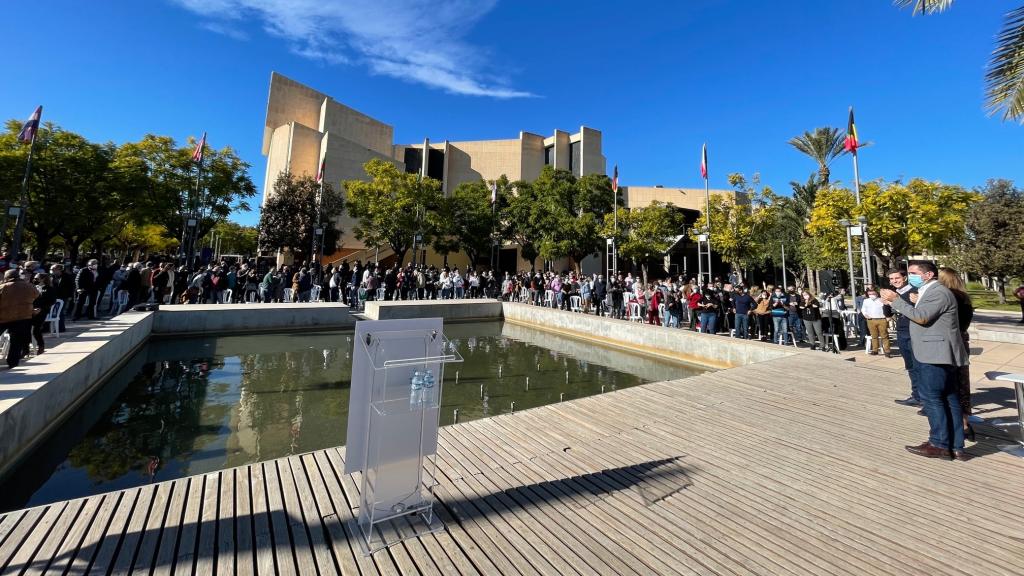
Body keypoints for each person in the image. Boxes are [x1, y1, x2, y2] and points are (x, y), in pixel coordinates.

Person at [880, 260, 969, 461]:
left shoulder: (937, 292)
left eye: (912, 273)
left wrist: (896, 300)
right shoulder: (931, 291)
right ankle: (955, 445)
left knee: (933, 398)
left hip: (934, 353)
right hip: (934, 352)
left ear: (928, 275)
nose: (909, 276)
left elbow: (921, 317)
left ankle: (939, 443)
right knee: (949, 398)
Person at [937, 267, 976, 442]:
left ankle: (959, 426)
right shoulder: (965, 298)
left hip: (949, 342)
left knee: (949, 383)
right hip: (962, 340)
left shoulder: (947, 297)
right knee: (962, 382)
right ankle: (965, 420)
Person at [889, 269, 922, 407]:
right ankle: (916, 395)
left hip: (914, 332)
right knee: (910, 366)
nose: (894, 281)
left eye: (897, 278)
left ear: (905, 278)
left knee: (918, 366)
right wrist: (886, 303)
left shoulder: (915, 292)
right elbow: (889, 313)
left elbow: (919, 313)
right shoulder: (893, 294)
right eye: (891, 279)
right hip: (901, 331)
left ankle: (927, 398)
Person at [0, 269, 38, 368]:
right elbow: (36, 295)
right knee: (16, 342)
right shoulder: (29, 286)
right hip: (23, 317)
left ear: (7, 277)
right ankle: (12, 363)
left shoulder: (3, 287)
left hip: (4, 316)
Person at [29, 273, 56, 355]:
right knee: (25, 329)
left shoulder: (49, 289)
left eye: (37, 278)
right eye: (34, 278)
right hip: (30, 310)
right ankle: (25, 349)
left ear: (43, 279)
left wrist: (41, 309)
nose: (35, 280)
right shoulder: (33, 287)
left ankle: (41, 346)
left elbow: (51, 301)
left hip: (42, 311)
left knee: (36, 330)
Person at [860, 287, 891, 357]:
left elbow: (888, 308)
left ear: (877, 293)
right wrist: (865, 315)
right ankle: (875, 350)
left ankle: (887, 351)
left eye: (873, 293)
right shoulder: (866, 301)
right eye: (870, 294)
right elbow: (863, 309)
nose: (871, 295)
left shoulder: (881, 300)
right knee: (874, 336)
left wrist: (888, 317)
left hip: (882, 319)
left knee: (884, 336)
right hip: (871, 320)